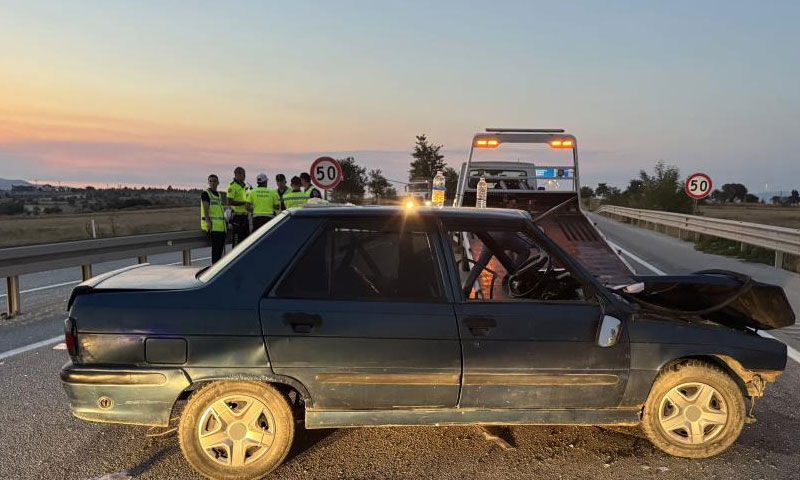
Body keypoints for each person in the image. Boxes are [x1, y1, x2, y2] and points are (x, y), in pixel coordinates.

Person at [201, 174, 227, 264]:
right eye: (210, 181)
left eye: (214, 181)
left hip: (221, 228)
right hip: (214, 228)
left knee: (219, 254)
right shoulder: (206, 194)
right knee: (216, 254)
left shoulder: (218, 195)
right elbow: (205, 209)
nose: (212, 183)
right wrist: (208, 222)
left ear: (218, 183)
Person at [227, 166, 250, 247]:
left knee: (245, 243)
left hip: (244, 216)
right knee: (237, 244)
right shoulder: (232, 186)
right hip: (237, 217)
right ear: (237, 174)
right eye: (243, 174)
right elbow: (229, 201)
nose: (245, 176)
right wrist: (244, 203)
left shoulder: (243, 186)